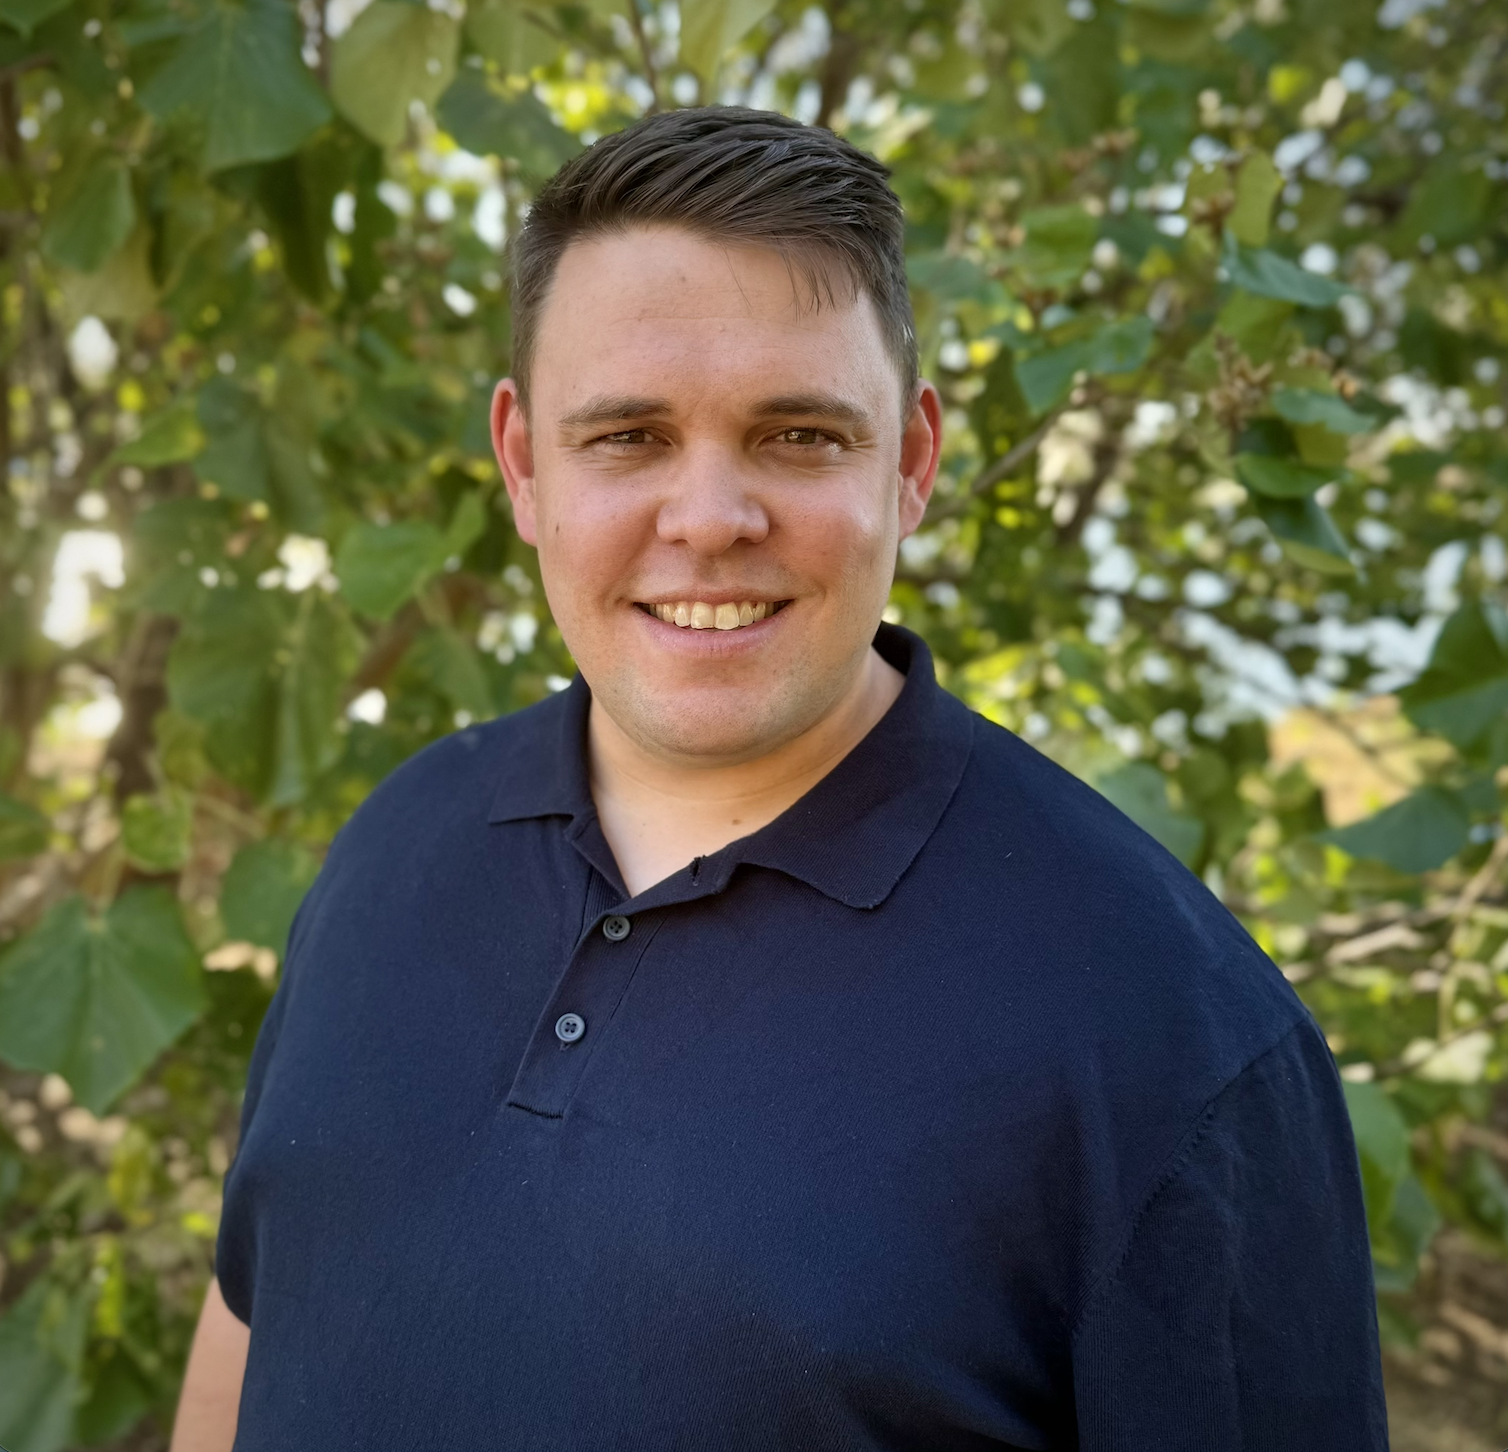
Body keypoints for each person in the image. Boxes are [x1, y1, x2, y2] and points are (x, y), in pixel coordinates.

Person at [172, 107, 1388, 1451]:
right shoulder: (396, 843)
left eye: (798, 436)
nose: (707, 520)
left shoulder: (1176, 1038)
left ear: (911, 462)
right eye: (627, 436)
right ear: (524, 464)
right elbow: (250, 1319)